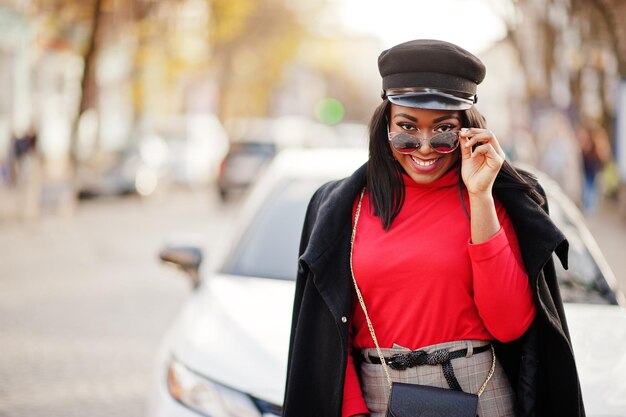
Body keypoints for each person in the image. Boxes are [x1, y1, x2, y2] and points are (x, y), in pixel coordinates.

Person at [283, 39, 585, 417]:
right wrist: (353, 410)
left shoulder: (497, 201)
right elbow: (328, 331)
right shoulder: (345, 207)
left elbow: (509, 326)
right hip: (376, 395)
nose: (424, 148)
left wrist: (480, 196)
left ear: (466, 131)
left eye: (443, 132)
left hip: (479, 394)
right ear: (385, 127)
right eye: (407, 129)